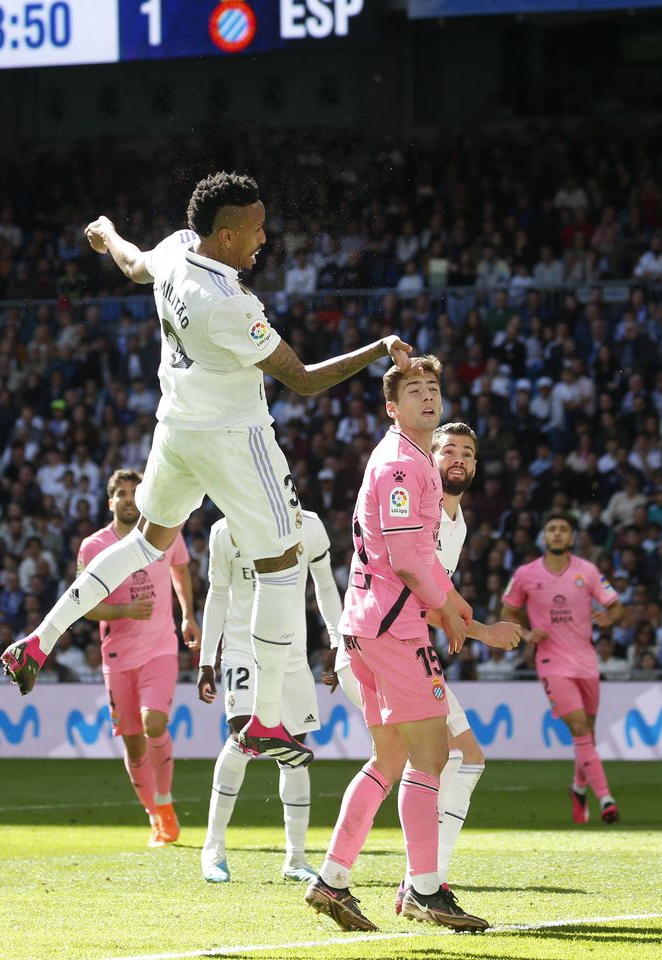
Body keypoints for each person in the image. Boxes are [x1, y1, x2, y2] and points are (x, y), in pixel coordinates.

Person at [1, 171, 412, 768]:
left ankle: (38, 641)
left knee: (147, 542)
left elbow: (132, 264)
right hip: (236, 442)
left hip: (176, 430)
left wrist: (106, 232)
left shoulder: (175, 250)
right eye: (256, 229)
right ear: (225, 236)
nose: (264, 238)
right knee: (282, 562)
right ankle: (265, 718)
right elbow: (302, 380)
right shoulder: (230, 305)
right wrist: (378, 349)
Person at [305, 358, 501, 933]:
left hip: (370, 625)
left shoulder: (413, 461)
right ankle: (425, 889)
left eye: (433, 388)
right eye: (414, 390)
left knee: (389, 758)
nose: (427, 397)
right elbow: (408, 558)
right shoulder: (400, 465)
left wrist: (453, 605)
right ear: (392, 407)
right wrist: (451, 608)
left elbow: (419, 556)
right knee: (434, 755)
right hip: (394, 628)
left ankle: (332, 879)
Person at [196, 509, 343, 884]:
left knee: (294, 751)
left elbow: (326, 584)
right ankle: (213, 848)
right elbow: (218, 594)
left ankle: (296, 859)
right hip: (242, 650)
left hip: (292, 655)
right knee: (243, 737)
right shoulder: (224, 530)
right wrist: (206, 659)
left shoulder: (309, 525)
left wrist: (337, 639)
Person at [77, 469, 198, 848]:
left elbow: (181, 567)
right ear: (110, 502)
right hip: (117, 656)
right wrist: (123, 611)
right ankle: (154, 815)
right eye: (122, 494)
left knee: (154, 723)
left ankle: (165, 802)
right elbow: (83, 605)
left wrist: (187, 615)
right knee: (132, 743)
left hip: (161, 647)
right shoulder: (94, 546)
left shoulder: (165, 531)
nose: (129, 499)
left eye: (135, 492)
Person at [501, 513, 625, 825]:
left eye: (563, 530)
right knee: (580, 729)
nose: (557, 534)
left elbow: (616, 606)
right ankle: (606, 799)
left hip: (586, 661)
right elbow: (508, 611)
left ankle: (578, 789)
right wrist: (526, 634)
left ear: (572, 538)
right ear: (544, 537)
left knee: (588, 733)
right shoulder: (526, 574)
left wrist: (610, 617)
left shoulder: (588, 571)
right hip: (551, 663)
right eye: (552, 529)